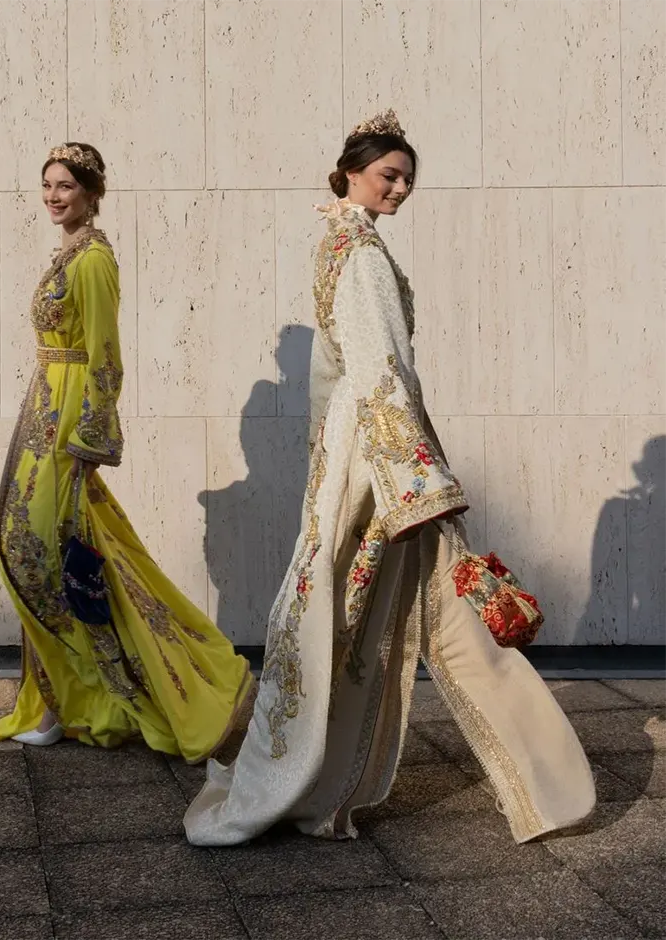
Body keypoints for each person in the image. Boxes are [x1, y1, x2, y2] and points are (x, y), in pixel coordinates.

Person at [183, 110, 596, 844]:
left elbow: (346, 376)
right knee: (425, 614)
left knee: (379, 617)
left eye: (407, 179)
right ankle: (544, 785)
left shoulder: (340, 243)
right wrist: (417, 477)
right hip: (380, 456)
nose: (400, 187)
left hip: (362, 451)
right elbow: (381, 370)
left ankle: (330, 779)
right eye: (389, 175)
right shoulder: (361, 253)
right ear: (351, 174)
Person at [0, 143, 254, 759]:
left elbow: (106, 357)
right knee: (36, 551)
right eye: (47, 185)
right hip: (42, 410)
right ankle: (59, 700)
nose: (53, 196)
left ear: (92, 192)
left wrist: (88, 439)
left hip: (65, 423)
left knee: (41, 554)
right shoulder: (68, 257)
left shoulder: (93, 261)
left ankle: (82, 701)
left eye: (66, 186)